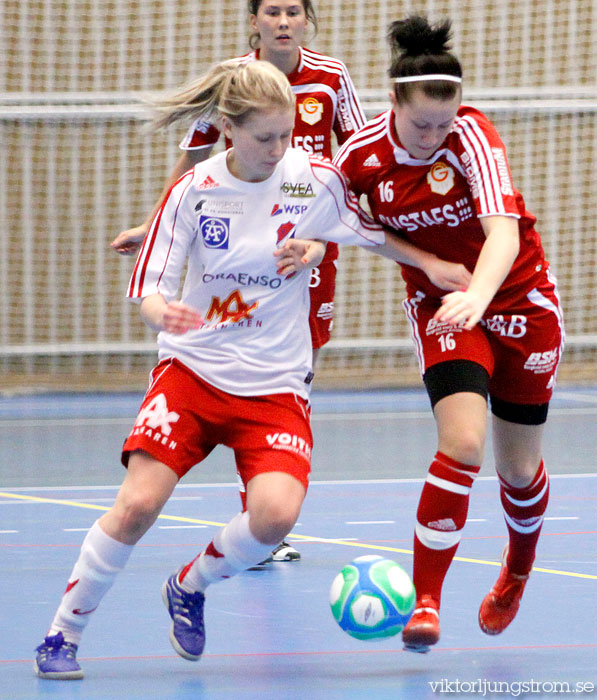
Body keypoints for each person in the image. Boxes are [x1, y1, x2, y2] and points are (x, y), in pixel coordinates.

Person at [34, 59, 471, 680]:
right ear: (230, 131)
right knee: (137, 504)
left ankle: (190, 584)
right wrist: (166, 316)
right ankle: (62, 634)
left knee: (274, 517)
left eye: (287, 135)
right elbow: (149, 283)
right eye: (265, 137)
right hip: (192, 373)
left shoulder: (308, 178)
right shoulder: (194, 191)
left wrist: (426, 264)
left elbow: (369, 233)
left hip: (274, 385)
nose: (279, 149)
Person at [333, 15, 564, 653]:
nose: (436, 135)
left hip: (520, 303)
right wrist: (429, 266)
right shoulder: (361, 157)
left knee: (519, 471)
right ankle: (425, 601)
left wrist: (478, 296)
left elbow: (505, 232)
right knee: (463, 444)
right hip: (444, 311)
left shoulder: (471, 135)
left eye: (445, 121)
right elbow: (350, 222)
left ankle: (517, 567)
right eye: (421, 124)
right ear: (392, 105)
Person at [111, 0, 367, 564]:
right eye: (271, 11)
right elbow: (195, 162)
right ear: (254, 20)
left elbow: (355, 157)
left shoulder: (333, 76)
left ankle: (267, 494)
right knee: (233, 351)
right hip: (239, 237)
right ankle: (259, 511)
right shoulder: (236, 81)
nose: (282, 21)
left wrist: (327, 234)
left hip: (301, 239)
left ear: (306, 20)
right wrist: (154, 225)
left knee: (293, 361)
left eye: (292, 11)